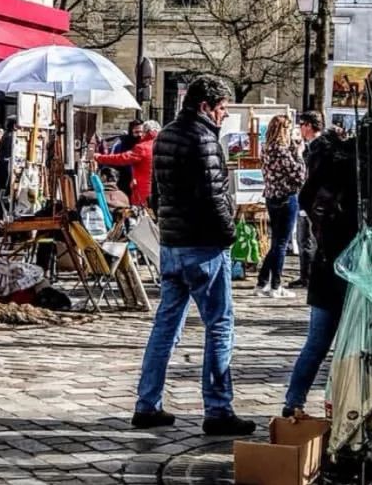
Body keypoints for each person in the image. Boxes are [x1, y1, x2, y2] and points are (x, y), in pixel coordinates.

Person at [131, 76, 255, 436]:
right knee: (219, 324)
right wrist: (229, 236)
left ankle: (147, 402)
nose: (224, 115)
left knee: (166, 326)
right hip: (202, 244)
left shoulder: (167, 134)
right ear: (205, 106)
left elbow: (156, 194)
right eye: (221, 108)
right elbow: (215, 197)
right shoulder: (204, 139)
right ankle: (218, 408)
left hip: (172, 243)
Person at [281, 117, 361, 417]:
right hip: (343, 274)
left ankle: (295, 402)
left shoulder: (316, 190)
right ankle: (325, 407)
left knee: (317, 345)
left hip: (327, 273)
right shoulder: (342, 194)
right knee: (335, 346)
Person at [255, 115, 305, 298]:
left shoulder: (266, 148)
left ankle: (262, 281)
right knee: (281, 244)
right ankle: (276, 284)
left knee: (276, 242)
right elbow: (299, 175)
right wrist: (299, 154)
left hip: (271, 197)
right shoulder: (281, 151)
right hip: (286, 197)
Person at [290, 111, 324, 290]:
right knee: (305, 240)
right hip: (312, 201)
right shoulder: (313, 146)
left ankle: (308, 276)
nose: (300, 128)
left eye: (301, 124)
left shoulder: (316, 148)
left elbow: (311, 177)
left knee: (307, 240)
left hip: (312, 202)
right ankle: (306, 275)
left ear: (309, 125)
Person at [94, 120, 160, 209]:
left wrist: (99, 158)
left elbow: (122, 158)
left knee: (141, 216)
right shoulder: (163, 146)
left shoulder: (142, 147)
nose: (140, 135)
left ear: (145, 132)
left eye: (141, 132)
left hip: (142, 190)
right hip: (160, 190)